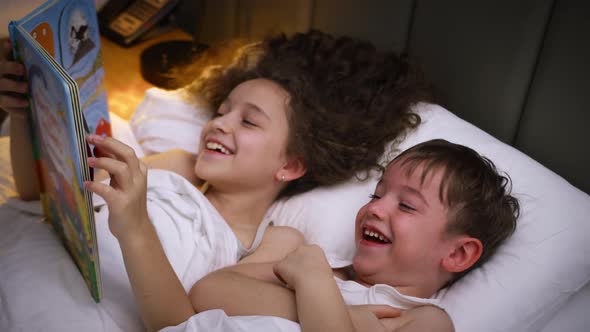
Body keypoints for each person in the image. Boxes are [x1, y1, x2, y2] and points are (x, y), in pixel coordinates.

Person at [1, 30, 434, 330]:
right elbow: (36, 196)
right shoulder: (173, 164)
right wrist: (25, 118)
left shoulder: (271, 241)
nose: (219, 125)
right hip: (26, 254)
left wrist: (134, 225)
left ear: (290, 165)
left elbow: (178, 322)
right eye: (222, 111)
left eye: (248, 121)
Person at [190, 139, 521, 332]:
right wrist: (329, 301)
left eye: (406, 205)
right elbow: (207, 291)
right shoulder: (314, 264)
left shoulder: (421, 320)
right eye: (376, 196)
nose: (375, 209)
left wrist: (315, 288)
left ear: (457, 254)